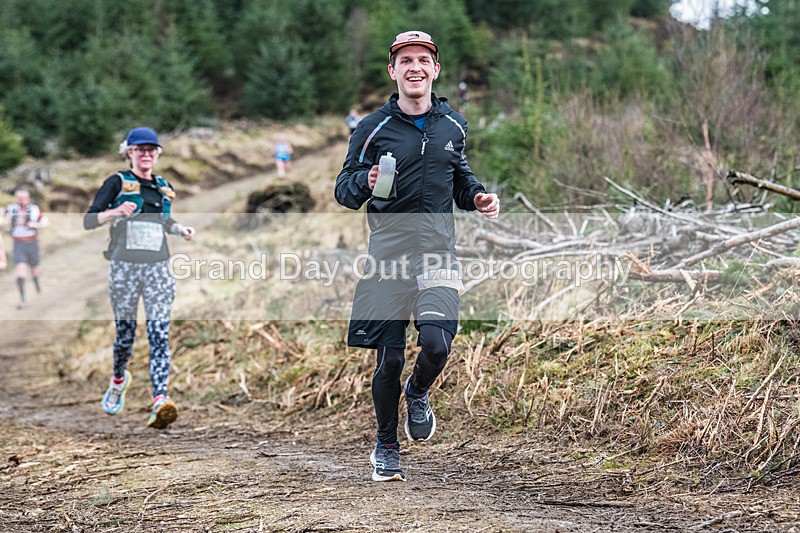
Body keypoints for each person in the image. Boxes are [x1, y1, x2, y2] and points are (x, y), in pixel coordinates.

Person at [334, 30, 500, 482]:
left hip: (438, 252)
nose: (415, 68)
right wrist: (363, 183)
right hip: (387, 257)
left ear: (435, 70)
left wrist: (479, 197)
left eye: (423, 60)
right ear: (393, 71)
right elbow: (343, 190)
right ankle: (386, 445)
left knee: (436, 343)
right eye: (405, 60)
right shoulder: (372, 128)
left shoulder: (454, 124)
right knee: (387, 359)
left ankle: (419, 391)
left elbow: (460, 178)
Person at [84, 127, 195, 430]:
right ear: (129, 152)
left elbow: (164, 220)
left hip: (158, 267)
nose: (146, 154)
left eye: (151, 149)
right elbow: (89, 219)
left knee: (159, 332)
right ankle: (119, 379)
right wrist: (116, 211)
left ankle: (161, 399)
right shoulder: (117, 182)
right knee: (126, 336)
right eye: (140, 149)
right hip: (124, 268)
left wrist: (179, 229)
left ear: (157, 154)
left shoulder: (163, 187)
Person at [4, 187, 47, 309]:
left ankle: (37, 283)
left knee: (34, 270)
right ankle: (23, 299)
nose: (20, 200)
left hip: (32, 243)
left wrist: (36, 225)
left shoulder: (34, 209)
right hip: (18, 244)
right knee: (20, 271)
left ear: (28, 198)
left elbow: (45, 221)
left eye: (22, 198)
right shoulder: (12, 209)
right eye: (18, 198)